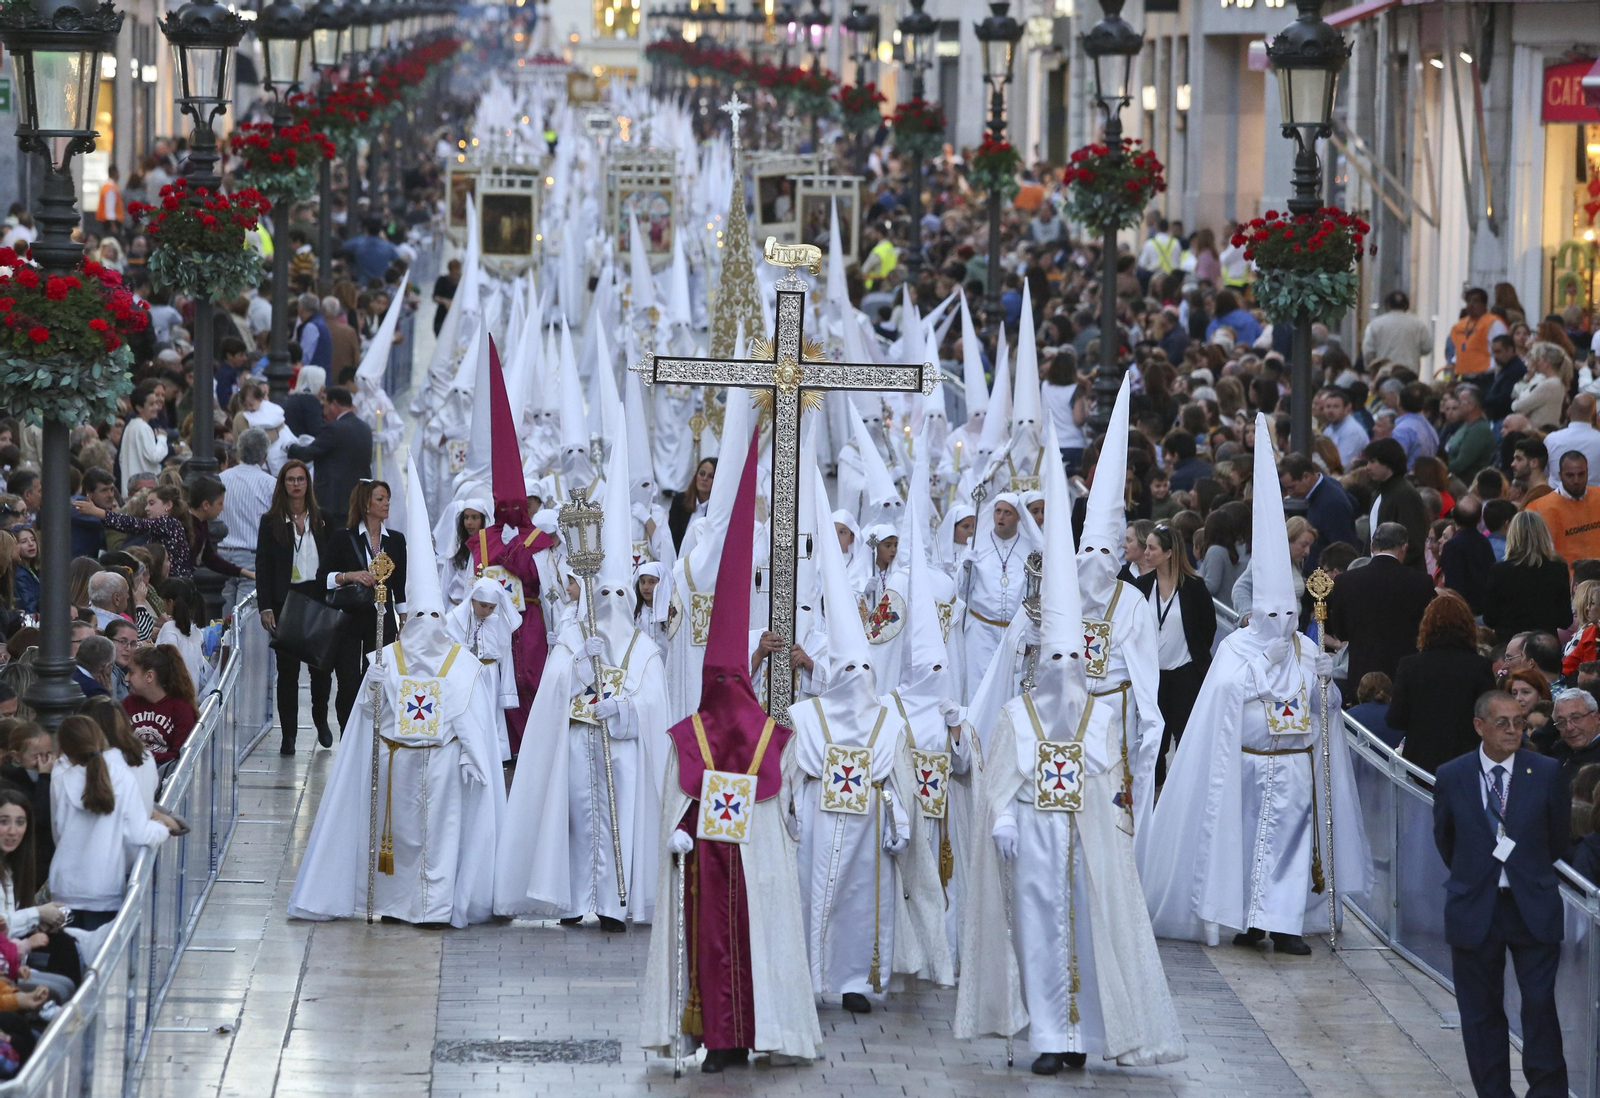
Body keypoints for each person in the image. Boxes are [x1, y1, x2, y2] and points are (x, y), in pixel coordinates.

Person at [956, 414, 1185, 1073]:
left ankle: (1088, 1033)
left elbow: (1137, 701)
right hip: (1036, 829)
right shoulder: (1022, 712)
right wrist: (1002, 813)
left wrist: (1134, 773)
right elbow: (1006, 735)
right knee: (1038, 926)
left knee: (1094, 921)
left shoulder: (1125, 634)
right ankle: (1049, 1035)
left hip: (1091, 814)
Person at [1142, 412, 1373, 955]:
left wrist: (1324, 683)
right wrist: (1258, 676)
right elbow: (1222, 697)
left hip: (1295, 768)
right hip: (1245, 767)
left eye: (1288, 614)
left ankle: (1287, 924)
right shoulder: (1237, 650)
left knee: (1292, 849)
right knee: (1247, 847)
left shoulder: (1306, 649)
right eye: (1272, 614)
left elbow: (1327, 708)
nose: (1281, 623)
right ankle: (1249, 921)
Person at [638, 431, 823, 1071]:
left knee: (744, 938)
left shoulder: (757, 737)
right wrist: (680, 831)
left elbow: (778, 808)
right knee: (715, 943)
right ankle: (720, 1036)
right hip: (707, 863)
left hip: (740, 865)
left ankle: (748, 1031)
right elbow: (680, 797)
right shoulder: (711, 735)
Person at [288, 459, 504, 928]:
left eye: (433, 618)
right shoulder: (385, 661)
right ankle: (392, 903)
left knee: (440, 839)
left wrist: (474, 757)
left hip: (444, 766)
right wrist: (372, 690)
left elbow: (470, 716)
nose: (426, 626)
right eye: (419, 619)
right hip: (395, 766)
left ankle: (437, 907)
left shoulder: (460, 664)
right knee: (398, 840)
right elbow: (368, 716)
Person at [786, 435, 935, 1016]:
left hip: (870, 828)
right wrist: (794, 815)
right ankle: (809, 975)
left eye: (862, 671)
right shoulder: (807, 717)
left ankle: (855, 981)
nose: (855, 679)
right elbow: (794, 776)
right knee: (811, 895)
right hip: (819, 824)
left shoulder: (887, 724)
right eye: (845, 670)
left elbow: (898, 782)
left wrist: (901, 823)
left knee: (861, 903)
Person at [495, 431, 668, 930]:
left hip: (622, 748)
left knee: (619, 819)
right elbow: (553, 687)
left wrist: (625, 709)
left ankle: (613, 903)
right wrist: (577, 665)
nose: (610, 603)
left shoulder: (643, 648)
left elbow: (653, 703)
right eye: (603, 594)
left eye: (619, 594)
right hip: (576, 740)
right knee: (574, 818)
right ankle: (573, 899)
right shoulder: (575, 633)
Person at [1432, 690, 1568, 1098]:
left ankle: (1547, 1092)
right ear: (1480, 726)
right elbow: (1446, 840)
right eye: (1502, 723)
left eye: (1519, 722)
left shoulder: (1545, 771)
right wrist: (1479, 873)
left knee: (1539, 1005)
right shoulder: (1453, 774)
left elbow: (1559, 839)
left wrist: (1526, 870)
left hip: (1532, 905)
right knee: (1480, 1012)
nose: (1513, 730)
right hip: (1476, 906)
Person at [49, 715, 176, 932]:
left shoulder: (60, 779)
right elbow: (138, 833)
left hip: (64, 885)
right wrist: (163, 830)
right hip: (104, 888)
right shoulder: (122, 778)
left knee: (67, 950)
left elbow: (58, 830)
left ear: (65, 749)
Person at [255, 460, 336, 753]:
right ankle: (288, 735)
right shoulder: (271, 521)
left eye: (301, 479)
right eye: (291, 479)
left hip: (318, 597)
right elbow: (263, 566)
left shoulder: (323, 519)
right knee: (287, 672)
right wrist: (265, 606)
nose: (296, 484)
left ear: (307, 483)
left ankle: (321, 719)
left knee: (321, 669)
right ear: (283, 484)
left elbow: (333, 559)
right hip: (285, 600)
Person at [1133, 522, 1215, 786]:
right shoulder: (1142, 585)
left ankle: (1182, 791)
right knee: (1153, 738)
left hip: (1185, 674)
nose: (1146, 552)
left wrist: (1193, 656)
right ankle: (1153, 791)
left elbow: (1207, 627)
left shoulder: (1193, 586)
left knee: (1185, 736)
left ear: (1169, 553)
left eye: (1152, 548)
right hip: (1151, 676)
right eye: (1146, 547)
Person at [322, 479, 406, 729]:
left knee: (378, 678)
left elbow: (400, 583)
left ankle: (375, 733)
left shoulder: (396, 540)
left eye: (388, 498)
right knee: (348, 681)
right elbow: (323, 577)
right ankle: (347, 733)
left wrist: (403, 619)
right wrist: (350, 575)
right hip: (349, 618)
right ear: (366, 504)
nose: (386, 503)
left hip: (382, 618)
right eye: (380, 499)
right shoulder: (343, 537)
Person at [1386, 593, 1497, 774]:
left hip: (1421, 764)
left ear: (1426, 627)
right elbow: (1490, 716)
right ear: (1468, 626)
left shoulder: (1409, 666)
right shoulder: (1480, 666)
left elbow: (1395, 719)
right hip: (1466, 762)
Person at [1325, 522, 1435, 691]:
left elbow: (1341, 632)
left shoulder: (1345, 581)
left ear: (1372, 546)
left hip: (1362, 672)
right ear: (1404, 547)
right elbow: (1428, 628)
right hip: (1404, 673)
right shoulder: (1421, 582)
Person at [960, 495, 1038, 702]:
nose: (1001, 517)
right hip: (981, 632)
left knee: (1009, 691)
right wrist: (965, 568)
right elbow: (962, 589)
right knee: (977, 690)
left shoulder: (1029, 548)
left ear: (1018, 517)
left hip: (1015, 633)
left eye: (1007, 512)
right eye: (998, 511)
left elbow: (1035, 593)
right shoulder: (977, 544)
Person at [444, 577, 520, 764]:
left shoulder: (498, 623)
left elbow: (506, 658)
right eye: (483, 605)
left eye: (491, 607)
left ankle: (493, 757)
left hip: (490, 674)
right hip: (466, 674)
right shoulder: (455, 620)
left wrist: (507, 693)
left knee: (490, 714)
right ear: (472, 599)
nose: (486, 611)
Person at [286, 387, 373, 529]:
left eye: (325, 406)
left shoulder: (334, 428)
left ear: (334, 404)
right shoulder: (365, 428)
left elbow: (308, 453)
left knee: (333, 540)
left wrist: (289, 447)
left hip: (334, 502)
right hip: (360, 499)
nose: (323, 412)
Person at [1483, 511, 1574, 643]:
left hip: (1509, 645)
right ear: (1543, 535)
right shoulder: (1557, 570)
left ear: (1512, 536)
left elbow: (1489, 619)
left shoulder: (1499, 571)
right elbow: (1565, 620)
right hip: (1545, 645)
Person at [218, 428, 277, 616]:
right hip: (252, 556)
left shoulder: (221, 479)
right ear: (265, 455)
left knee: (223, 618)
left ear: (239, 451)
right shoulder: (270, 484)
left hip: (222, 554)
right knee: (247, 619)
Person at [122, 643, 198, 767]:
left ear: (149, 676)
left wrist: (140, 755)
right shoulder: (128, 703)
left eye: (131, 672)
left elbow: (180, 757)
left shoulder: (181, 709)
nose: (126, 678)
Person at [1278, 454, 1357, 569]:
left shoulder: (1331, 502)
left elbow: (1343, 549)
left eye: (1292, 487)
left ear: (1306, 477)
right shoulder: (1330, 484)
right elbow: (1354, 503)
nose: (1290, 493)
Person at [1360, 438, 1429, 569]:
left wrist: (1387, 566)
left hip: (1402, 574)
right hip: (1378, 571)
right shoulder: (1377, 494)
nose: (1368, 467)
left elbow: (1413, 542)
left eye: (1373, 461)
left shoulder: (1405, 494)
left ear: (1388, 463)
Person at [1437, 498, 1496, 615]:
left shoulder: (1452, 546)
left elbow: (1453, 585)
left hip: (1464, 612)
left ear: (1453, 514)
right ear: (1480, 519)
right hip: (1485, 609)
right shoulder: (1484, 542)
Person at [1362, 290, 1433, 373]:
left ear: (1387, 305)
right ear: (1406, 305)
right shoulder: (1418, 325)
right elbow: (1427, 348)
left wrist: (1371, 368)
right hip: (1410, 371)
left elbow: (1368, 351)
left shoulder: (1375, 324)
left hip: (1384, 372)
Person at [1447, 286, 1509, 377]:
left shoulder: (1494, 323)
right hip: (1465, 377)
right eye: (1468, 301)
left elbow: (1504, 351)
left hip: (1487, 376)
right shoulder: (1459, 326)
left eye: (1475, 301)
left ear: (1484, 304)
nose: (1471, 304)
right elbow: (1460, 350)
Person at [120, 384, 168, 496]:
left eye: (156, 403)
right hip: (144, 490)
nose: (156, 407)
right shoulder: (144, 428)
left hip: (131, 489)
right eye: (151, 404)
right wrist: (162, 439)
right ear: (139, 408)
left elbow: (122, 458)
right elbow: (154, 456)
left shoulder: (130, 426)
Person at [1443, 386, 1495, 483]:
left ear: (1471, 406)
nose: (1458, 405)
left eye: (1460, 402)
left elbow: (1460, 464)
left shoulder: (1479, 430)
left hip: (1466, 482)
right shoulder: (1466, 425)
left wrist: (1438, 467)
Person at [1550, 687, 1600, 781]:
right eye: (1561, 722)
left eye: (1576, 718)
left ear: (1596, 717)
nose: (1569, 728)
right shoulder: (1559, 750)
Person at [1316, 387, 1369, 472]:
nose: (1330, 411)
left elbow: (1343, 466)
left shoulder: (1352, 431)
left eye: (1336, 407)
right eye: (1328, 407)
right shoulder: (1329, 428)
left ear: (1347, 408)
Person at [668, 458, 715, 552]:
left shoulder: (717, 509)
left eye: (710, 476)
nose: (704, 479)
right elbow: (672, 537)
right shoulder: (680, 501)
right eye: (702, 474)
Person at [341, 217, 400, 284]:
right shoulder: (388, 247)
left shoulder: (357, 243)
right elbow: (397, 259)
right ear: (380, 230)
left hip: (361, 283)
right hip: (380, 284)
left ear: (366, 228)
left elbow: (343, 247)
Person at [432, 258, 460, 337]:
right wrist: (445, 301)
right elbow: (435, 297)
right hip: (442, 317)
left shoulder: (462, 283)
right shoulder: (442, 280)